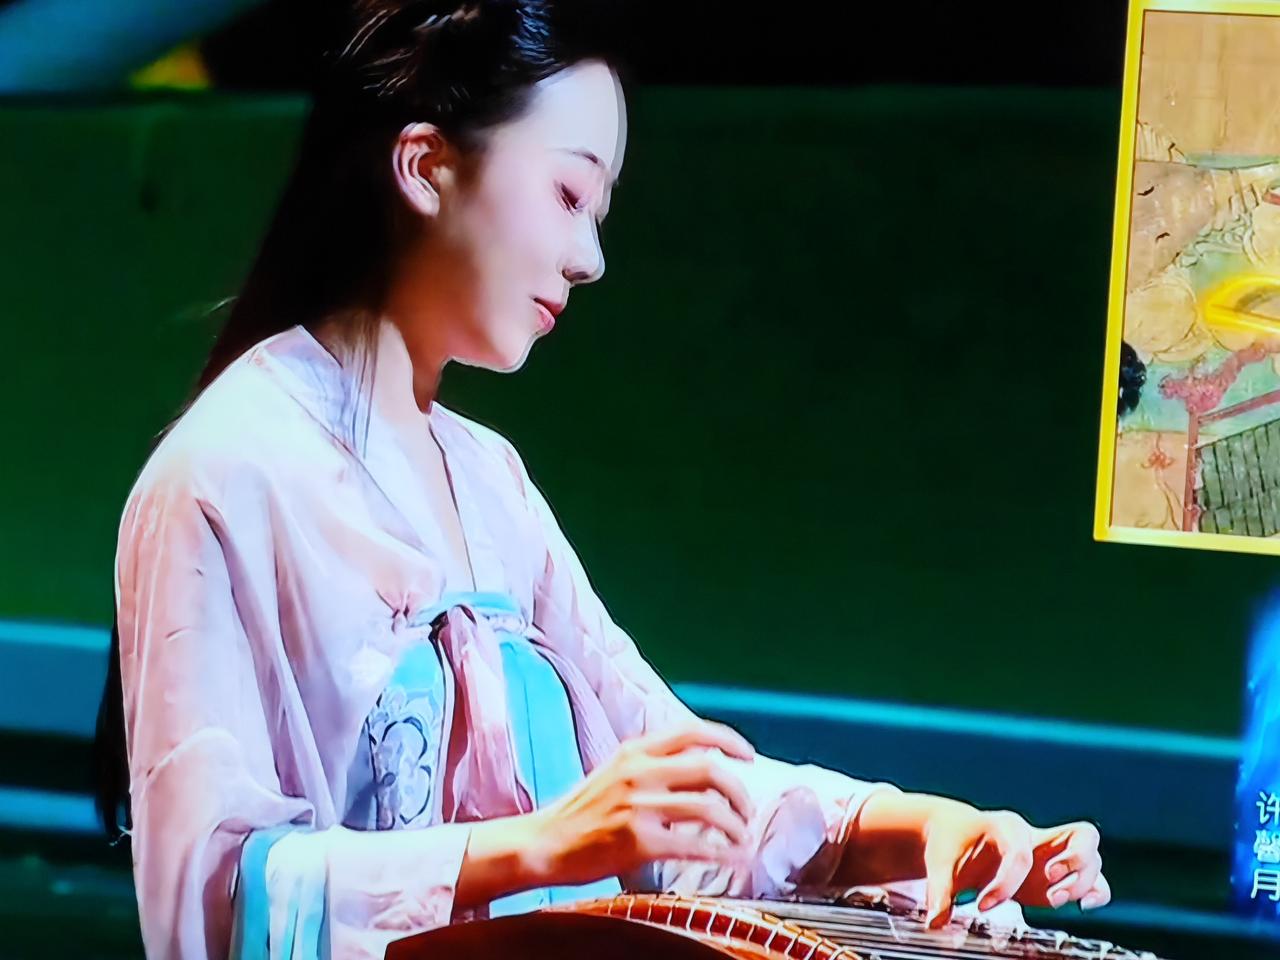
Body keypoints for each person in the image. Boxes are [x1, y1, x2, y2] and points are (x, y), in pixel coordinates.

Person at [91, 2, 1110, 957]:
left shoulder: (489, 480)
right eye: (568, 194)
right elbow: (207, 895)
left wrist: (917, 826)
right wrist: (540, 847)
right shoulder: (225, 470)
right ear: (425, 166)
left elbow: (675, 780)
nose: (589, 258)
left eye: (599, 211)